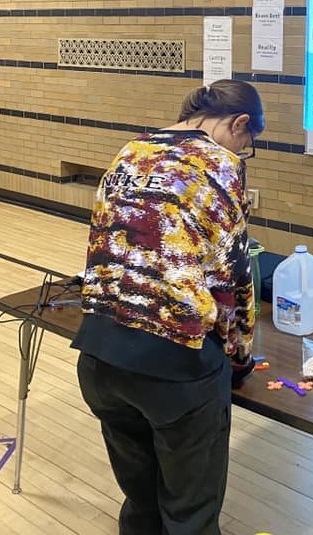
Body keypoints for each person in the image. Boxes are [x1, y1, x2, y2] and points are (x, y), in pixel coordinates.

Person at [71, 79, 265, 535]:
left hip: (99, 356)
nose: (243, 152)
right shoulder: (220, 163)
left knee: (142, 502)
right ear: (239, 124)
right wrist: (239, 360)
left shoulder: (131, 150)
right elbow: (231, 278)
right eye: (248, 143)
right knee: (189, 517)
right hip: (175, 367)